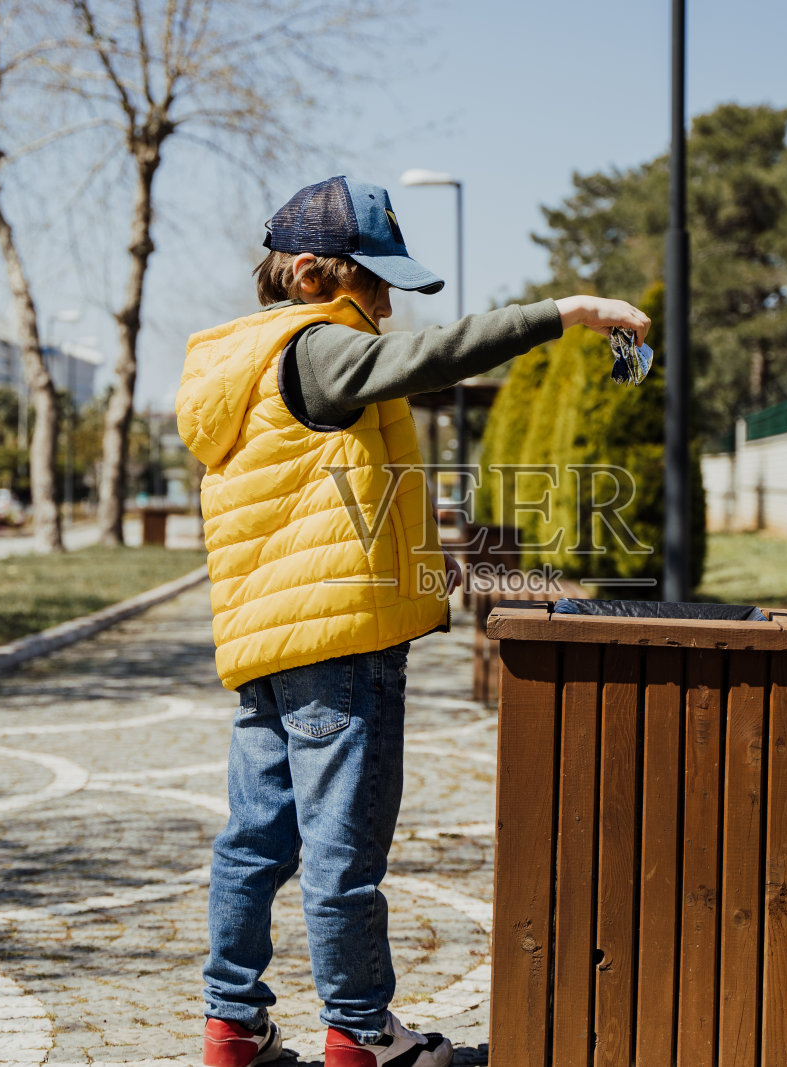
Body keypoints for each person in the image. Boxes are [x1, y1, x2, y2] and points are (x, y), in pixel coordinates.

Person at [176, 175, 650, 1067]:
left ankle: (231, 1024)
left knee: (253, 840)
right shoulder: (316, 352)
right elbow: (436, 356)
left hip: (267, 645)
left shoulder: (238, 367)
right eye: (377, 280)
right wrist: (566, 311)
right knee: (341, 855)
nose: (389, 303)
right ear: (314, 273)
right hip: (344, 644)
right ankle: (361, 1034)